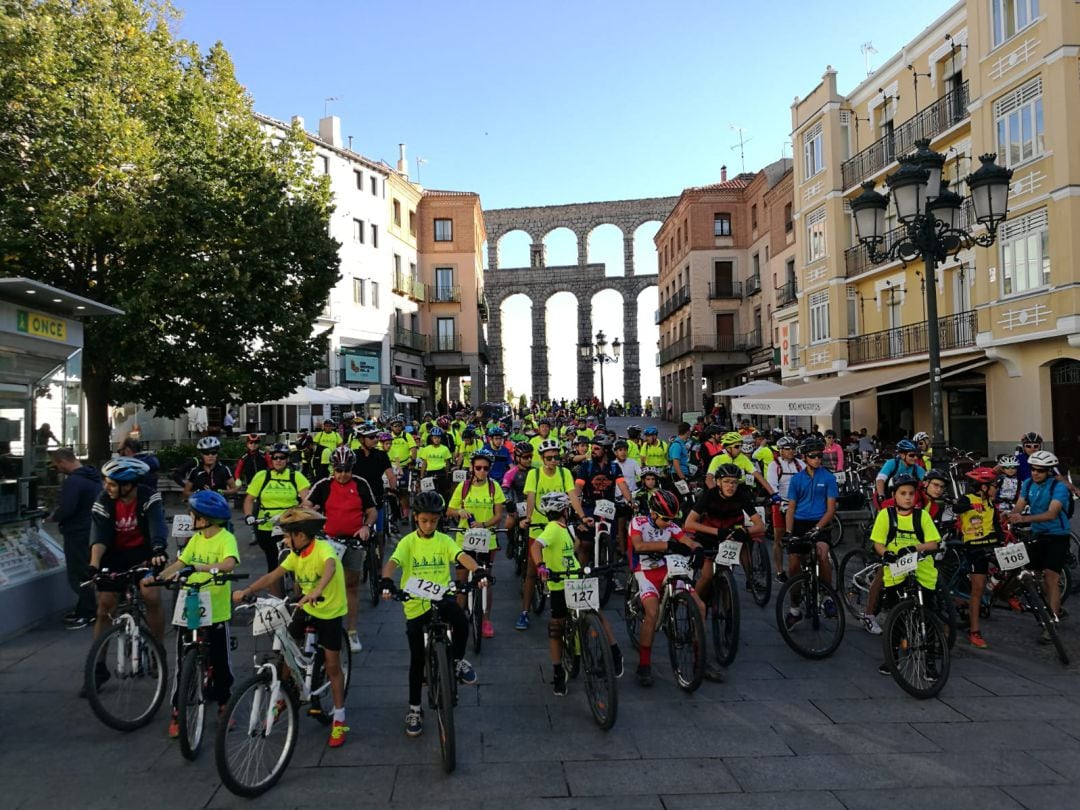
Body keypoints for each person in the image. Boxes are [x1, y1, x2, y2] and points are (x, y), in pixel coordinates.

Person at [234, 507, 350, 747]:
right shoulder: (295, 555)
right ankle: (284, 694)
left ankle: (339, 717)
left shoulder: (322, 549)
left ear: (302, 535)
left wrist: (318, 590)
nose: (285, 540)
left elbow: (329, 567)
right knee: (287, 646)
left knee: (332, 664)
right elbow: (273, 575)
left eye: (288, 535)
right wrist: (248, 591)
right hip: (306, 606)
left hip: (330, 610)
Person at [381, 491, 484, 737]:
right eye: (424, 520)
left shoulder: (443, 540)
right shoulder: (407, 542)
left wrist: (478, 570)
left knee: (461, 621)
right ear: (416, 518)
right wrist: (386, 580)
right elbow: (393, 562)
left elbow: (461, 556)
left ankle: (457, 662)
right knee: (417, 659)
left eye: (434, 521)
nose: (429, 525)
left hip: (441, 597)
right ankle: (414, 709)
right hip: (416, 603)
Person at [157, 490, 239, 738]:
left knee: (221, 658)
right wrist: (160, 576)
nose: (190, 518)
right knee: (183, 660)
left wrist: (202, 567)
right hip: (191, 603)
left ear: (204, 519)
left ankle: (224, 702)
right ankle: (178, 710)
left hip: (216, 607)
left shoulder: (226, 538)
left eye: (193, 514)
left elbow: (229, 563)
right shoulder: (197, 538)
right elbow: (181, 563)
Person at [532, 491, 623, 695]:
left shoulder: (565, 528)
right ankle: (615, 652)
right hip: (564, 583)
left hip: (569, 581)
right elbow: (537, 546)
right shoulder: (552, 529)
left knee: (558, 625)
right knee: (580, 619)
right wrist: (541, 565)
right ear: (565, 510)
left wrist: (580, 530)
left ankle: (558, 674)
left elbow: (574, 543)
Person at [683, 463, 764, 682]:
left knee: (726, 576)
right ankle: (695, 606)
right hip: (709, 539)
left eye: (734, 482)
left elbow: (760, 525)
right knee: (708, 575)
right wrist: (716, 531)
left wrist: (743, 531)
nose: (731, 486)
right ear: (718, 482)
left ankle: (728, 613)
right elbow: (689, 523)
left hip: (730, 540)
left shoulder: (742, 496)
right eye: (727, 482)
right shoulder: (708, 496)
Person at [304, 446, 378, 654]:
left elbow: (371, 512)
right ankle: (319, 623)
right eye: (339, 470)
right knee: (321, 582)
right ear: (333, 468)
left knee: (351, 586)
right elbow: (306, 505)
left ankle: (352, 630)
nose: (343, 475)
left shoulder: (361, 485)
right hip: (328, 542)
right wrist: (312, 515)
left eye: (346, 470)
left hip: (353, 542)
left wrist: (366, 527)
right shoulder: (324, 485)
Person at [87, 457, 168, 646]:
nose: (107, 488)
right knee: (105, 606)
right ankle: (98, 661)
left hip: (145, 555)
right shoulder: (104, 500)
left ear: (128, 485)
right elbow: (99, 537)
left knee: (151, 597)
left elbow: (156, 524)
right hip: (113, 555)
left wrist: (158, 549)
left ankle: (158, 648)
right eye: (106, 483)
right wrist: (93, 564)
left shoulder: (149, 496)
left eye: (112, 485)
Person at [628, 490, 703, 687]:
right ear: (653, 514)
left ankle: (699, 656)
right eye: (665, 519)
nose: (669, 522)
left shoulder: (671, 525)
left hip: (669, 568)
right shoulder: (638, 522)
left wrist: (697, 550)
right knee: (652, 612)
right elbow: (638, 546)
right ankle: (644, 664)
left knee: (700, 607)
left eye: (672, 518)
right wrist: (667, 545)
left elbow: (686, 540)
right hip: (645, 570)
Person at [870, 474, 941, 675]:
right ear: (895, 495)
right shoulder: (886, 515)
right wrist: (886, 553)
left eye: (911, 493)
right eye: (903, 493)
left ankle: (929, 663)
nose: (908, 498)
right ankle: (893, 657)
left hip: (922, 570)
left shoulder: (922, 516)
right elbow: (877, 541)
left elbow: (933, 543)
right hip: (896, 570)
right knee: (896, 615)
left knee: (928, 616)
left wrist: (913, 548)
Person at [518, 438, 589, 631]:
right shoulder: (534, 474)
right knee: (532, 572)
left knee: (571, 555)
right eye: (549, 458)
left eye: (556, 457)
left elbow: (572, 495)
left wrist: (582, 516)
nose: (553, 461)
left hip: (560, 523)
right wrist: (528, 517)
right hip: (539, 523)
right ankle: (524, 612)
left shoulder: (565, 473)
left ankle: (571, 604)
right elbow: (531, 496)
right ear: (541, 458)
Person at [1009, 450, 1072, 635]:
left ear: (1049, 471)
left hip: (1058, 535)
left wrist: (1024, 519)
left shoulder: (1058, 487)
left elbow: (1052, 514)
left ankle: (1052, 623)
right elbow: (1019, 506)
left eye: (1041, 470)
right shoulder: (1028, 483)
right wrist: (1012, 514)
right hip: (1038, 536)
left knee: (1052, 578)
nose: (1035, 473)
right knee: (1035, 575)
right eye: (1033, 469)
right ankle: (1055, 607)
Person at [448, 448, 505, 638]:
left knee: (485, 580)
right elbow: (449, 510)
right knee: (462, 581)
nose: (482, 471)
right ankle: (457, 619)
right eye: (478, 467)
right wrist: (459, 512)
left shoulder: (493, 487)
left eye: (486, 468)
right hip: (464, 539)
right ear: (472, 467)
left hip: (487, 538)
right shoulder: (463, 487)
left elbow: (499, 515)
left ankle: (486, 619)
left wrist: (484, 524)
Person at [781, 439, 838, 628]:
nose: (817, 459)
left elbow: (831, 510)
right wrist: (789, 532)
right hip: (799, 522)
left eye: (820, 455)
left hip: (820, 523)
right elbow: (791, 508)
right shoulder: (797, 480)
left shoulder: (828, 478)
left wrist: (818, 528)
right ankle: (795, 608)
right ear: (804, 458)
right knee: (794, 563)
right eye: (812, 456)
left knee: (822, 554)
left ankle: (828, 597)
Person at [243, 443, 311, 594]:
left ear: (287, 459)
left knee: (297, 564)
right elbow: (249, 499)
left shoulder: (296, 476)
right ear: (271, 459)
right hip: (266, 524)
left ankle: (299, 601)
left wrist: (302, 510)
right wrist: (248, 516)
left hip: (290, 524)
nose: (278, 460)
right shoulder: (262, 476)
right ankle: (276, 602)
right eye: (275, 457)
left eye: (282, 457)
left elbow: (307, 499)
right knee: (273, 564)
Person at [51, 448, 102, 629]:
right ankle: (85, 608)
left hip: (77, 531)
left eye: (57, 464)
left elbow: (67, 507)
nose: (57, 468)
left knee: (78, 572)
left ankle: (87, 612)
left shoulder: (73, 482)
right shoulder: (93, 477)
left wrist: (53, 517)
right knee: (88, 569)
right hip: (92, 529)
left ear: (63, 461)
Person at [953, 468, 1003, 649]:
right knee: (978, 589)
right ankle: (974, 631)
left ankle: (1003, 591)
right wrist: (964, 506)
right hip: (974, 547)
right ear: (983, 487)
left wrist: (1003, 542)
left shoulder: (991, 502)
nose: (996, 488)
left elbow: (996, 524)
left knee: (1012, 567)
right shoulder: (968, 499)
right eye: (993, 486)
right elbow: (956, 508)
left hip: (991, 544)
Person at [765, 437, 803, 583]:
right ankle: (780, 570)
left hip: (798, 503)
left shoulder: (800, 464)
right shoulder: (774, 465)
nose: (792, 451)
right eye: (788, 449)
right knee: (779, 538)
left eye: (793, 448)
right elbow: (772, 484)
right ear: (780, 450)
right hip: (780, 502)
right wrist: (778, 500)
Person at [874, 439, 926, 506]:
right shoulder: (892, 463)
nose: (915, 458)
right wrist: (881, 495)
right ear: (902, 455)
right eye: (912, 455)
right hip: (887, 497)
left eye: (917, 455)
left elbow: (926, 481)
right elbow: (880, 479)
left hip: (907, 500)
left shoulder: (917, 468)